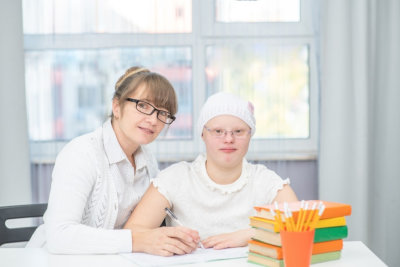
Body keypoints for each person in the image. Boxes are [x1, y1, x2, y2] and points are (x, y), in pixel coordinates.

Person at [27, 66, 200, 254]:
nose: (153, 120)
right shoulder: (82, 153)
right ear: (116, 107)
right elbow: (59, 236)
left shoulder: (148, 160)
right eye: (143, 106)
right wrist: (136, 240)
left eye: (163, 113)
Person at [124, 92, 298, 256]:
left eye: (238, 131)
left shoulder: (266, 181)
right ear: (202, 134)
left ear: (250, 135)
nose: (228, 139)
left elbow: (304, 226)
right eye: (218, 131)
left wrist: (250, 234)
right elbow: (132, 233)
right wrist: (160, 239)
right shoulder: (175, 178)